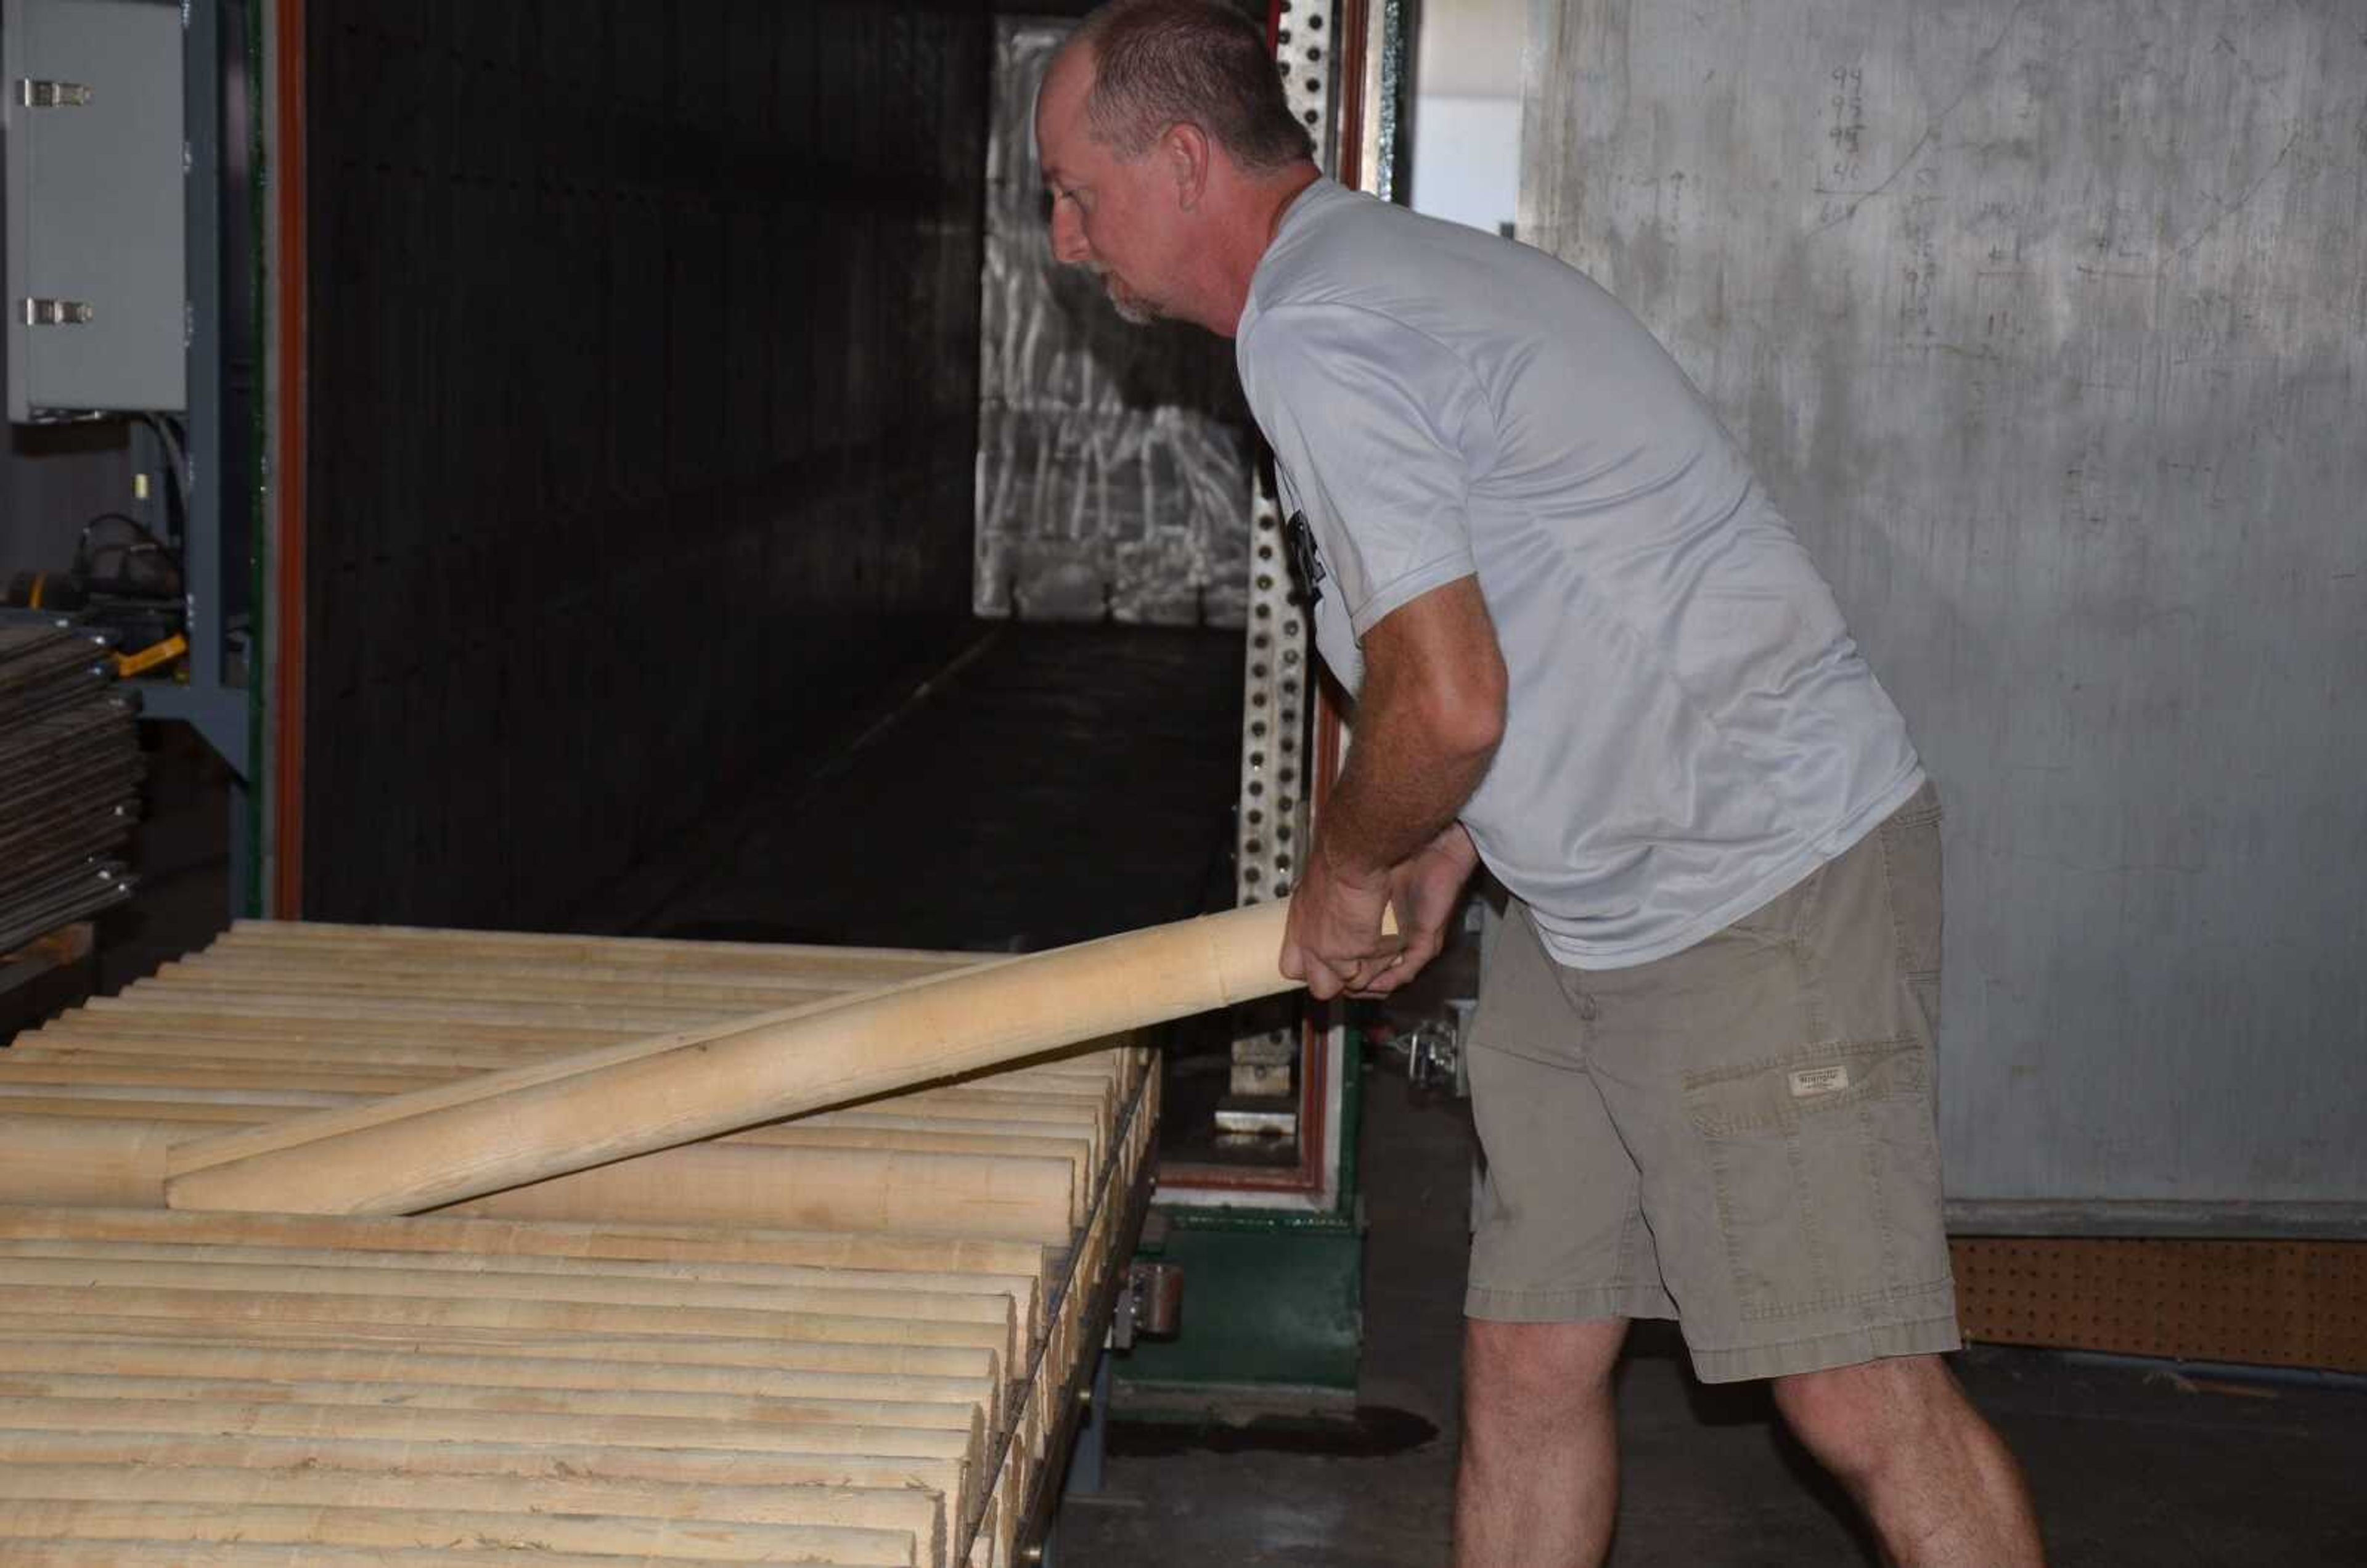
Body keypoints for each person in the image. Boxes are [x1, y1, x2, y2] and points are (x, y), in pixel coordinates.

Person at [1035, 2, 2046, 1564]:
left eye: (1075, 192)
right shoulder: (1359, 286)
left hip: (1754, 881)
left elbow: (1446, 698)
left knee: (1855, 1387)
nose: (1063, 237)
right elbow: (1494, 637)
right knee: (1526, 1357)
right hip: (1594, 908)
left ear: (1181, 163)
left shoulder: (1321, 326)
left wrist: (1348, 871)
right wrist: (1439, 844)